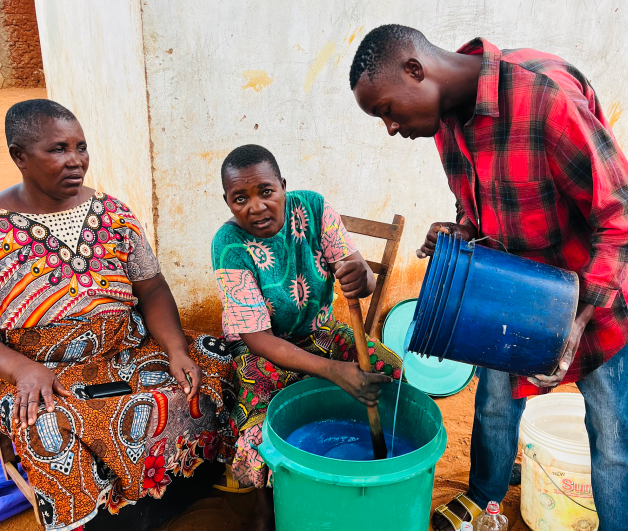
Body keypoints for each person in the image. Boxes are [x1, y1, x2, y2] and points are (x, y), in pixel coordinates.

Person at [349, 25, 628, 531]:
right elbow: (480, 208)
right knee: (495, 408)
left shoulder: (543, 97)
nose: (390, 129)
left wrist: (578, 314)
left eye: (386, 111)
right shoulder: (445, 122)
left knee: (613, 436)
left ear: (415, 71)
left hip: (599, 300)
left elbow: (626, 213)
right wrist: (460, 230)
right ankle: (484, 497)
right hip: (515, 301)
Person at [0, 100, 237, 531]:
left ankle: (185, 488)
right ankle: (101, 522)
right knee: (46, 422)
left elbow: (151, 286)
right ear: (19, 156)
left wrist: (176, 348)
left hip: (126, 346)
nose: (76, 161)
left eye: (81, 146)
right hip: (40, 368)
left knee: (217, 355)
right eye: (57, 149)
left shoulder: (114, 212)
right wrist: (22, 369)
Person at [212, 144, 403, 531]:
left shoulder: (313, 209)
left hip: (321, 331)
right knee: (258, 426)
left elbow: (361, 277)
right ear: (228, 203)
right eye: (240, 199)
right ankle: (265, 502)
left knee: (390, 370)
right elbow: (259, 339)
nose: (256, 207)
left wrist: (360, 274)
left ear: (283, 186)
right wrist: (334, 371)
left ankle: (371, 457)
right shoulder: (229, 245)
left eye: (266, 191)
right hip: (261, 348)